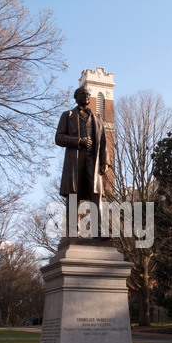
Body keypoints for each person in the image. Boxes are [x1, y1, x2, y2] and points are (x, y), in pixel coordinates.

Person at [55, 86, 110, 237]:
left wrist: (105, 162)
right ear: (76, 97)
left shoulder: (97, 118)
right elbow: (58, 138)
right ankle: (74, 230)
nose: (86, 96)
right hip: (75, 159)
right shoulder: (67, 115)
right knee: (74, 194)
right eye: (83, 94)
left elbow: (104, 142)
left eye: (88, 94)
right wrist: (79, 141)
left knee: (96, 194)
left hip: (94, 159)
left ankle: (98, 230)